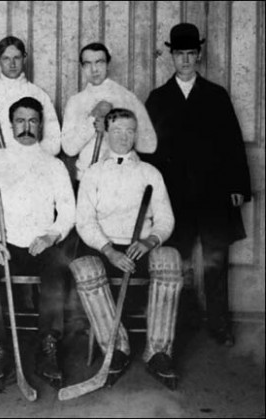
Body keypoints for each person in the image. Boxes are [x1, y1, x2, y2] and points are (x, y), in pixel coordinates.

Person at [145, 23, 251, 347]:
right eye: (180, 54)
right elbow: (148, 149)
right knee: (179, 260)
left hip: (214, 192)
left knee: (215, 261)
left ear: (199, 55)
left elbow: (233, 143)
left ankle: (220, 324)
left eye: (192, 53)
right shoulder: (159, 98)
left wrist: (237, 186)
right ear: (172, 57)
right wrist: (150, 197)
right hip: (175, 196)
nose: (186, 59)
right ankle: (184, 321)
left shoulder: (216, 96)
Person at [0, 97, 75, 392]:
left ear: (40, 125)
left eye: (32, 121)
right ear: (11, 124)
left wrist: (51, 236)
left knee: (58, 266)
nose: (26, 127)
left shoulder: (54, 165)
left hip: (41, 244)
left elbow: (68, 211)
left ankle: (48, 345)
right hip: (5, 244)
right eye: (20, 120)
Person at [71, 108, 183, 390]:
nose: (124, 136)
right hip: (105, 249)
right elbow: (84, 221)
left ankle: (158, 351)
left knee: (169, 258)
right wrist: (109, 251)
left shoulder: (150, 173)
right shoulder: (93, 174)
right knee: (83, 267)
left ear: (136, 133)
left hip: (141, 248)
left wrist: (149, 241)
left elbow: (166, 218)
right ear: (107, 133)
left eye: (130, 131)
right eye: (117, 130)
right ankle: (116, 347)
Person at [61, 42, 157, 180]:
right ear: (82, 67)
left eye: (99, 62)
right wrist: (92, 120)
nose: (94, 69)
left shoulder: (127, 97)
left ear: (108, 65)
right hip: (87, 179)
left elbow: (149, 144)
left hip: (122, 177)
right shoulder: (75, 102)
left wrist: (111, 129)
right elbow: (69, 148)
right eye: (88, 64)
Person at [0, 36, 61, 158]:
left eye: (17, 58)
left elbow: (54, 143)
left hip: (29, 167)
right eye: (6, 59)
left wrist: (31, 155)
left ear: (24, 58)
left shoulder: (38, 94)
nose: (12, 64)